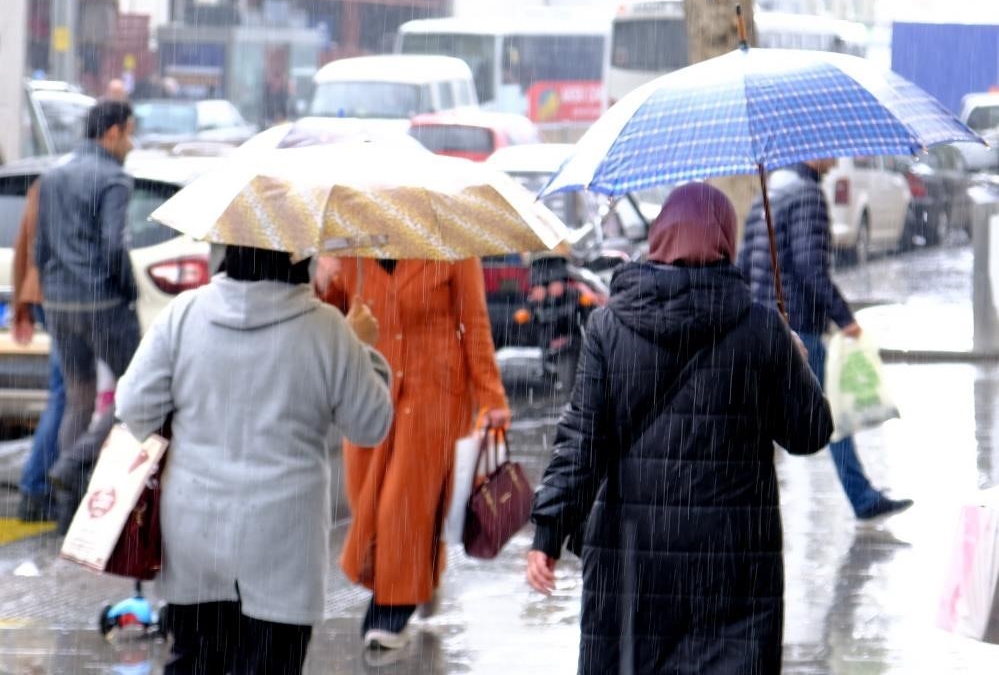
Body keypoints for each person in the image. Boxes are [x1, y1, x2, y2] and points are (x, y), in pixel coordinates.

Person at [527, 182, 834, 674]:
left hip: (634, 554)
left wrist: (548, 533)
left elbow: (582, 439)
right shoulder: (760, 327)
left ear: (659, 237)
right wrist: (794, 357)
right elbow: (809, 433)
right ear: (726, 240)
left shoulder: (609, 326)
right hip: (732, 560)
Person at [115, 245, 394, 674]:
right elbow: (370, 425)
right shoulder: (326, 330)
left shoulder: (184, 314)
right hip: (284, 540)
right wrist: (363, 351)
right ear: (298, 257)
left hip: (194, 533)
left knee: (194, 662)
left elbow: (134, 408)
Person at [316, 257, 512, 650]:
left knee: (403, 505)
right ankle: (418, 574)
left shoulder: (451, 245)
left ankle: (392, 606)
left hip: (435, 391)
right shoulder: (351, 247)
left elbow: (474, 323)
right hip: (370, 388)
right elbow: (328, 321)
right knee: (367, 502)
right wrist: (323, 283)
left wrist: (491, 397)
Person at [738, 159, 914, 521]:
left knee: (757, 417)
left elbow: (744, 261)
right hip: (797, 327)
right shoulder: (807, 195)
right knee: (828, 413)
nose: (835, 157)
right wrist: (845, 318)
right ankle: (862, 497)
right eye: (829, 151)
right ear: (809, 154)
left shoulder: (769, 191)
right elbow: (810, 267)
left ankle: (749, 506)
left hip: (761, 326)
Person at [35, 99, 140, 531]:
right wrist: (128, 290)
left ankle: (67, 510)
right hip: (102, 302)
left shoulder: (54, 176)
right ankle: (75, 463)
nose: (131, 144)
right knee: (137, 391)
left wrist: (51, 294)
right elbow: (114, 245)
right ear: (112, 132)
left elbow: (41, 246)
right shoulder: (114, 179)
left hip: (60, 302)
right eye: (130, 134)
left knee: (78, 397)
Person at [11, 181, 65, 522]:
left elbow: (22, 245)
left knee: (67, 393)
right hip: (68, 295)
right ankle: (38, 487)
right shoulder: (93, 180)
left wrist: (21, 302)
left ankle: (41, 486)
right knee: (70, 395)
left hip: (43, 293)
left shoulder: (47, 182)